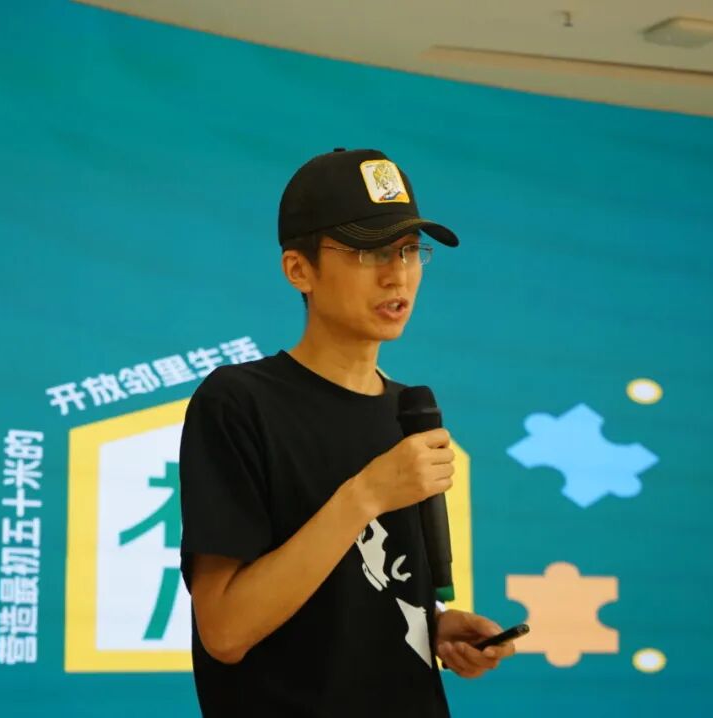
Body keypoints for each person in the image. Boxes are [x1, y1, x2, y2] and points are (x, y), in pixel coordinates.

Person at [178, 148, 516, 717]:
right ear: (298, 270)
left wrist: (429, 625)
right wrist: (367, 494)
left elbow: (350, 597)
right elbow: (226, 630)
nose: (397, 274)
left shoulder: (407, 410)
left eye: (409, 251)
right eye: (368, 251)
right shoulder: (239, 401)